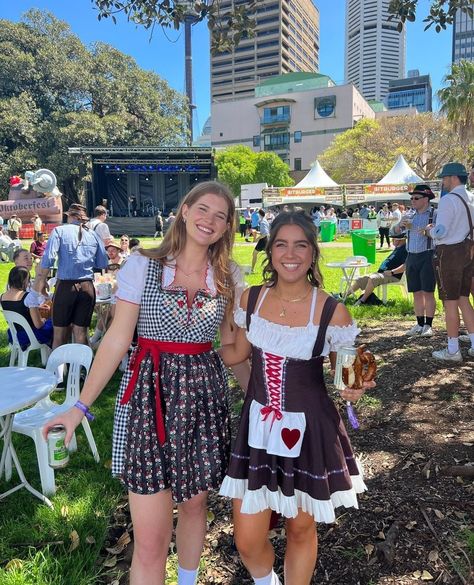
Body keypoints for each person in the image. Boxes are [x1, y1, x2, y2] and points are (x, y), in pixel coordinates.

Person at [42, 181, 250, 585]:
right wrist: (79, 406)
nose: (209, 220)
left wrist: (266, 400)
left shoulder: (228, 276)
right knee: (152, 542)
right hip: (148, 396)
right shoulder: (144, 264)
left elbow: (230, 346)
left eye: (220, 216)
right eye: (202, 209)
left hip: (204, 401)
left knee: (194, 505)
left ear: (227, 228)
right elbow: (118, 339)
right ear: (184, 211)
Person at [218, 211, 374, 585]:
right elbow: (235, 354)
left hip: (310, 432)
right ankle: (266, 580)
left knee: (301, 530)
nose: (291, 253)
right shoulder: (249, 300)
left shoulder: (332, 311)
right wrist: (222, 314)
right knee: (247, 538)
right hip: (258, 430)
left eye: (300, 245)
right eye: (282, 244)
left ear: (312, 253)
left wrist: (354, 385)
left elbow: (346, 375)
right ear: (270, 251)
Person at [34, 203, 108, 349]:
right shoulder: (93, 235)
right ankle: (82, 370)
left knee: (59, 334)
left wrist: (42, 280)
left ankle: (58, 371)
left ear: (71, 216)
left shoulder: (59, 231)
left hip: (66, 287)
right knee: (81, 333)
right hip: (87, 286)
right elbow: (102, 262)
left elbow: (48, 259)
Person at [428, 163, 474, 361]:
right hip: (467, 251)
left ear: (453, 178)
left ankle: (453, 349)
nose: (443, 182)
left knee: (450, 302)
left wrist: (429, 230)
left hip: (449, 253)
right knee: (464, 299)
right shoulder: (471, 197)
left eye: (444, 178)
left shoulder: (448, 200)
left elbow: (441, 231)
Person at [394, 184, 437, 337]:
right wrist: (400, 225)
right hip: (411, 256)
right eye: (411, 198)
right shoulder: (409, 215)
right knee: (416, 292)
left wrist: (429, 231)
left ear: (426, 199)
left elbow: (441, 235)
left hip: (427, 255)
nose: (412, 200)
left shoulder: (435, 214)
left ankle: (428, 325)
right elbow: (396, 232)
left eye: (416, 198)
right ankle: (419, 324)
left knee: (428, 292)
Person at [346, 233, 408, 305]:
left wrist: (392, 272)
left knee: (373, 278)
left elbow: (406, 266)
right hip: (383, 273)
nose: (392, 241)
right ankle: (344, 295)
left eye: (393, 239)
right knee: (361, 279)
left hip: (393, 275)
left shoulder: (405, 250)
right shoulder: (398, 248)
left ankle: (362, 301)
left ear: (399, 240)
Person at [1, 266, 53, 348]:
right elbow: (38, 325)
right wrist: (43, 320)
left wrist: (37, 308)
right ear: (25, 281)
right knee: (55, 324)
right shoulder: (28, 297)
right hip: (30, 335)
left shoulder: (2, 297)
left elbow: (18, 310)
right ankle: (54, 351)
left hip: (14, 334)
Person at [251, 209, 270, 273]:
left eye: (257, 214)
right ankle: (271, 268)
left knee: (254, 254)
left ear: (259, 214)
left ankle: (252, 270)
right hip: (266, 239)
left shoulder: (262, 222)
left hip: (263, 240)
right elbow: (264, 232)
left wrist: (257, 239)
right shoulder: (265, 221)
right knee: (269, 255)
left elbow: (264, 234)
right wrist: (256, 232)